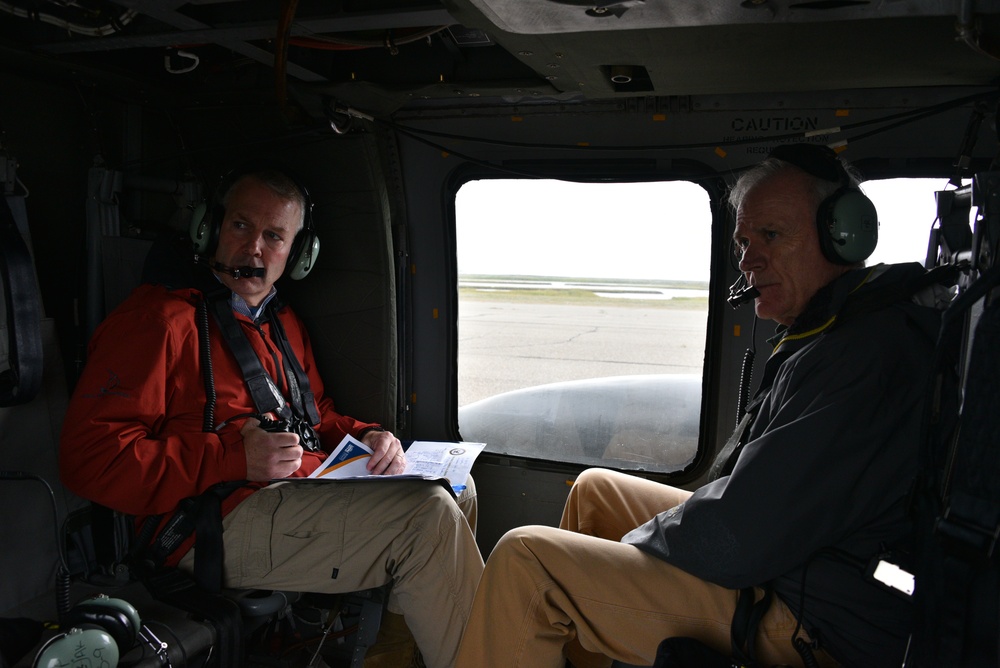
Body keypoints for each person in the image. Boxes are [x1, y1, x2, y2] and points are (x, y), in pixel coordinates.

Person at [455, 144, 951, 668]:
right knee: (596, 490)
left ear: (842, 236)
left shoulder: (864, 356)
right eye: (743, 241)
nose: (748, 259)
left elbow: (740, 538)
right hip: (795, 564)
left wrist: (639, 546)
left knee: (526, 562)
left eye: (772, 236)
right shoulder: (835, 331)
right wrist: (649, 545)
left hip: (817, 620)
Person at [59, 166, 484, 668]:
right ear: (209, 228)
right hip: (203, 525)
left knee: (456, 489)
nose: (254, 248)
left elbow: (314, 414)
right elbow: (90, 460)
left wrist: (366, 435)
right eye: (241, 226)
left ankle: (391, 656)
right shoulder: (158, 322)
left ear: (298, 255)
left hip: (293, 493)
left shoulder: (281, 321)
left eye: (274, 236)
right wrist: (230, 458)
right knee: (426, 518)